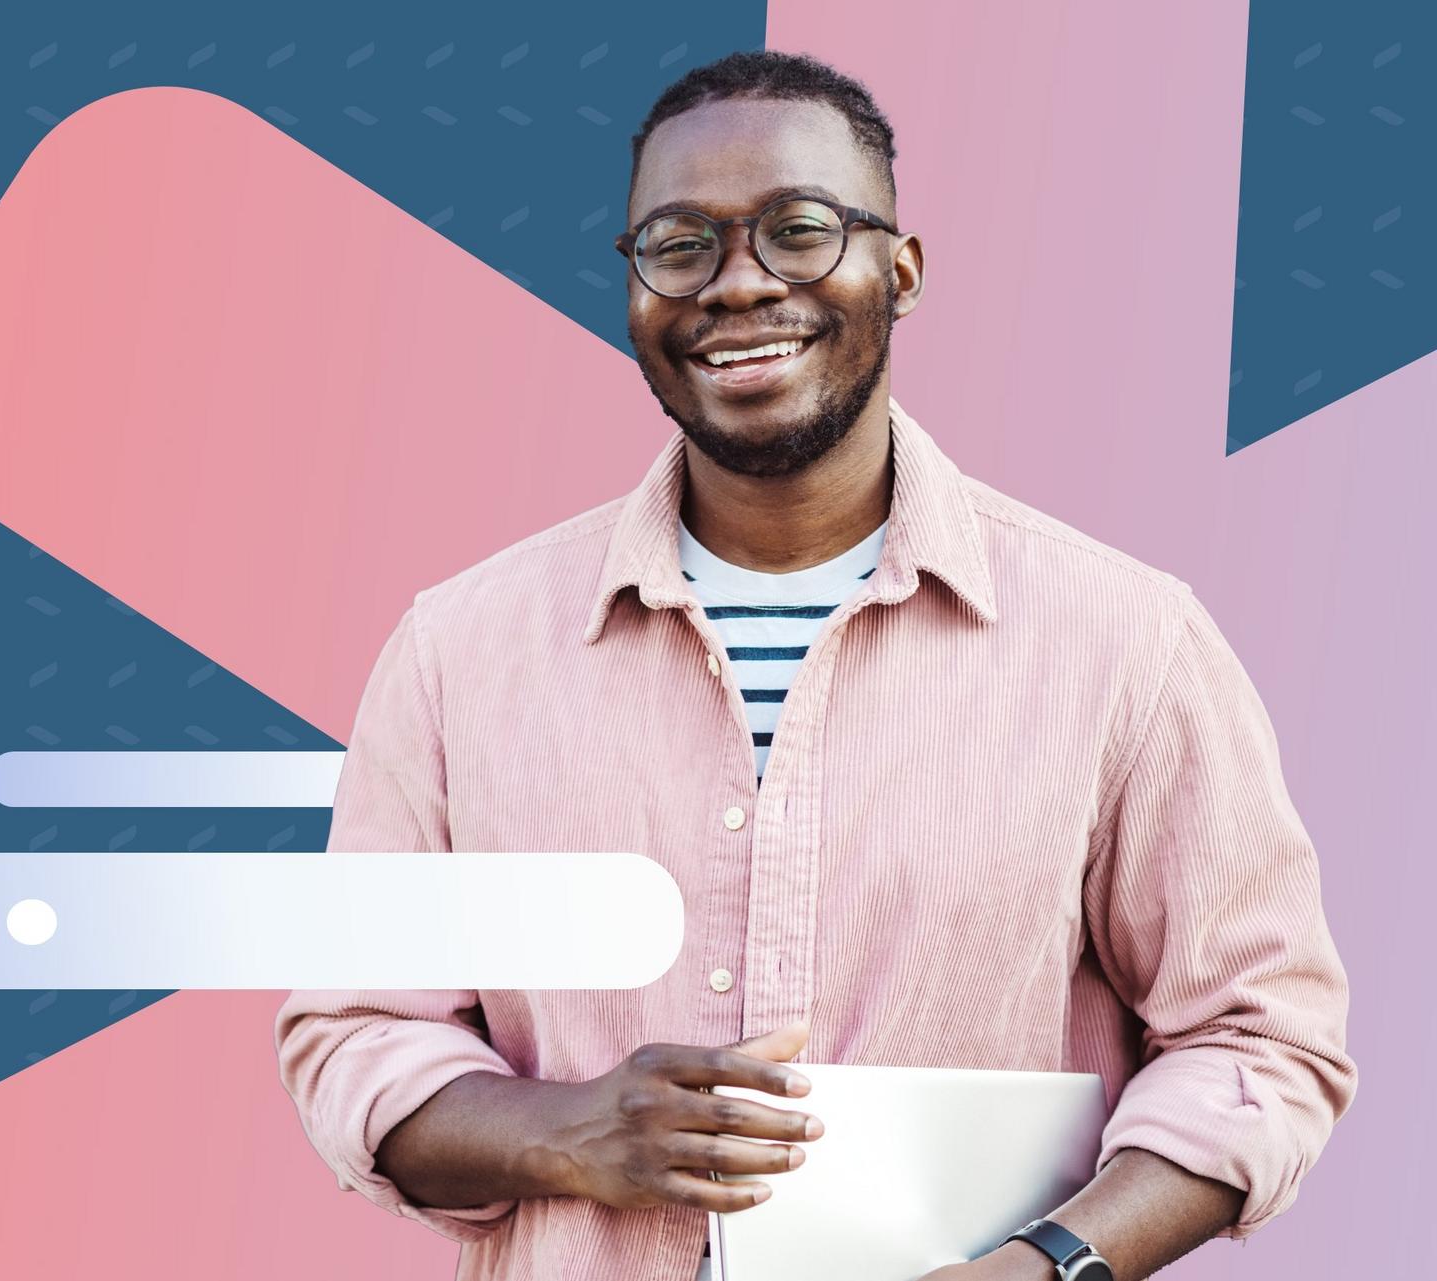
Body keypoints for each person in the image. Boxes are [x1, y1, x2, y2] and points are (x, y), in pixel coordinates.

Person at [275, 50, 1354, 1281]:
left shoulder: (1127, 644)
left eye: (798, 231)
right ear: (632, 290)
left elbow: (1262, 1042)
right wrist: (564, 1132)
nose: (738, 286)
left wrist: (1048, 1266)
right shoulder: (458, 653)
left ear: (900, 271)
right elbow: (355, 1032)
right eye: (679, 245)